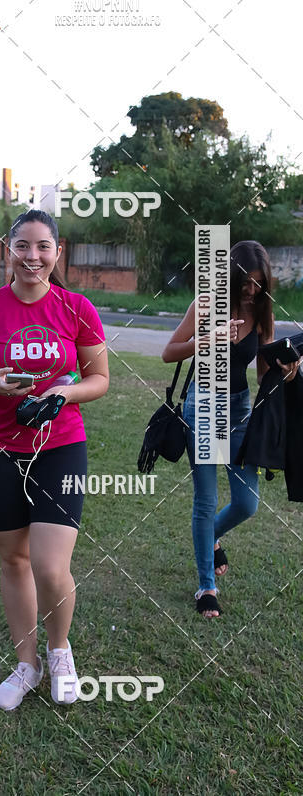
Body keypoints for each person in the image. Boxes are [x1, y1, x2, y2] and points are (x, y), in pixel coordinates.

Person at [0, 209, 109, 709]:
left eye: (43, 247)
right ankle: (27, 664)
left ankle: (60, 651)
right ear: (8, 250)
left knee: (48, 563)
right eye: (23, 246)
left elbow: (100, 379)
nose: (33, 257)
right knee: (13, 558)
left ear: (57, 253)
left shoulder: (76, 306)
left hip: (59, 446)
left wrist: (65, 395)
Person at [162, 240, 301, 619]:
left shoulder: (261, 313)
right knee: (205, 501)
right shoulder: (204, 305)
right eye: (246, 282)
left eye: (258, 284)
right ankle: (206, 584)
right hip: (202, 407)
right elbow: (169, 351)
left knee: (247, 503)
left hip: (239, 410)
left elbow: (264, 371)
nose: (251, 290)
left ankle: (212, 539)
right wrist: (209, 338)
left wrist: (287, 371)